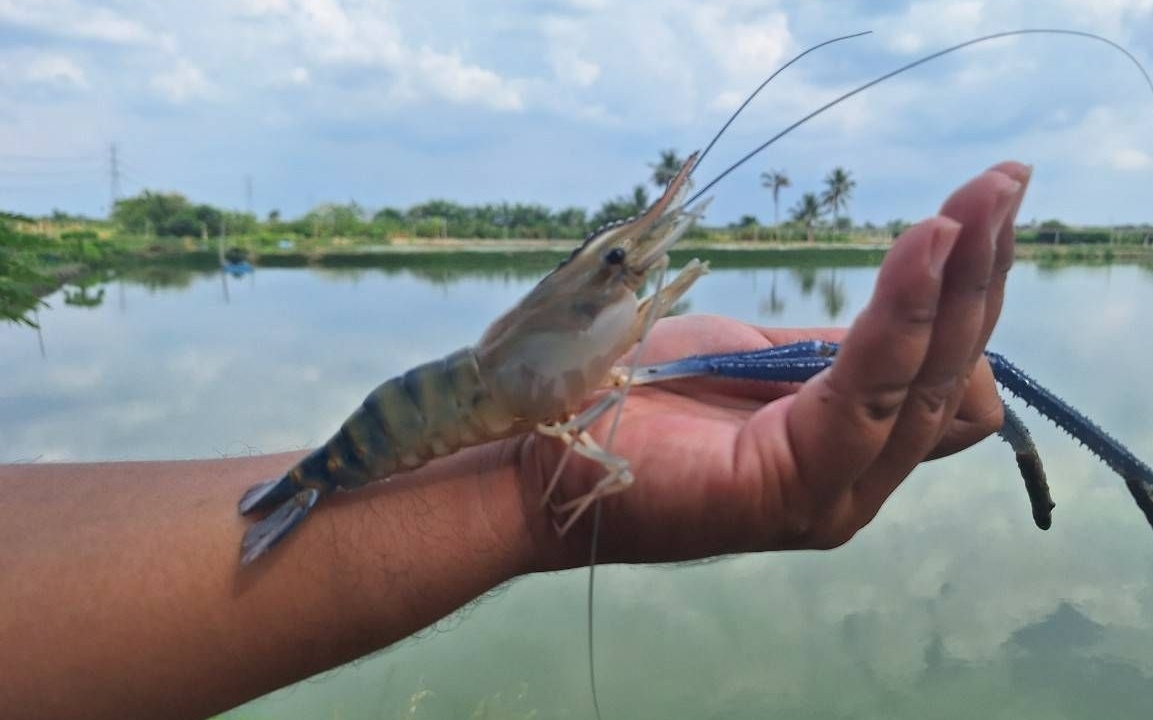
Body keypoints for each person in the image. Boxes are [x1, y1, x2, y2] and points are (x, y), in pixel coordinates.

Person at [0, 162, 1030, 720]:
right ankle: (310, 482)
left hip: (454, 411)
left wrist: (623, 319)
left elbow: (583, 381)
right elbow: (577, 414)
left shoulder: (571, 335)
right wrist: (542, 495)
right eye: (622, 269)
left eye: (621, 270)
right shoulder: (537, 367)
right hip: (404, 427)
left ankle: (302, 485)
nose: (637, 279)